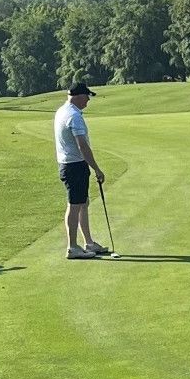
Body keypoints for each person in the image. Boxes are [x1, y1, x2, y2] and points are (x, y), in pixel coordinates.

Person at [54, 82, 111, 258]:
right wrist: (97, 169)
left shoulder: (62, 111)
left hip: (70, 164)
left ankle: (88, 242)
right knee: (74, 205)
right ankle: (72, 247)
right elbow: (82, 146)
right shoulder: (74, 116)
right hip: (74, 166)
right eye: (86, 97)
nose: (88, 100)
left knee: (82, 203)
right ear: (78, 97)